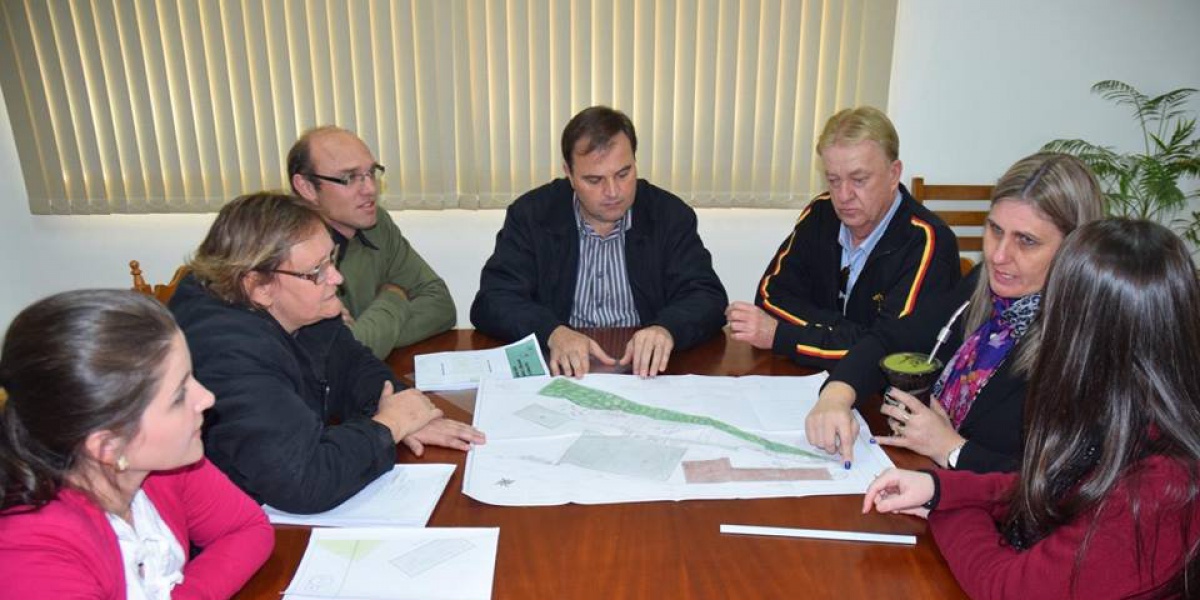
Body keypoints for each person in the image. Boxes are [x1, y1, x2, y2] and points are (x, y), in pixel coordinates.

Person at [863, 219, 1200, 600]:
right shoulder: (1123, 414)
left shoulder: (1163, 487)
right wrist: (945, 488)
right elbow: (1050, 488)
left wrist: (949, 508)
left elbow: (1011, 593)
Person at [0, 290, 274, 600]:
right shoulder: (32, 558)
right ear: (108, 446)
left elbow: (248, 530)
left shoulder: (155, 465)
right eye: (179, 394)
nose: (206, 398)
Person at [170, 192, 484, 514]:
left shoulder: (301, 308)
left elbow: (354, 365)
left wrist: (406, 410)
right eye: (317, 270)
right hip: (229, 522)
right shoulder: (227, 355)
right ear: (259, 287)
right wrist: (389, 427)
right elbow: (305, 481)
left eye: (331, 259)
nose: (336, 277)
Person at [806, 152, 1103, 471]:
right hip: (922, 477)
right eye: (995, 230)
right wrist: (837, 395)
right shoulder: (983, 287)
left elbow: (1061, 480)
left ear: (1074, 249)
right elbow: (894, 337)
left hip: (977, 496)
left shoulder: (1090, 348)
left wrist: (950, 448)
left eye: (1026, 241)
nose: (998, 256)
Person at [470, 105, 728, 378]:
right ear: (569, 173)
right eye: (594, 180)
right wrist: (552, 332)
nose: (613, 192)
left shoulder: (669, 215)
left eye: (623, 174)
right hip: (564, 370)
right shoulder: (532, 215)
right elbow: (493, 299)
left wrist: (666, 329)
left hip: (645, 372)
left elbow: (707, 297)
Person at [726, 106, 960, 366]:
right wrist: (849, 334)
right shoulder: (821, 213)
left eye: (859, 180)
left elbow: (890, 351)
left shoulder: (927, 242)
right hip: (807, 375)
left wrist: (784, 336)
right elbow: (771, 298)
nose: (843, 196)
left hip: (883, 387)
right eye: (834, 180)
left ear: (893, 174)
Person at [288, 125, 456, 359]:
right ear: (307, 188)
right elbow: (340, 355)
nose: (370, 189)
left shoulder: (377, 225)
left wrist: (367, 334)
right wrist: (394, 297)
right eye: (349, 178)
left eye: (371, 173)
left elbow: (441, 306)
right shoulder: (288, 251)